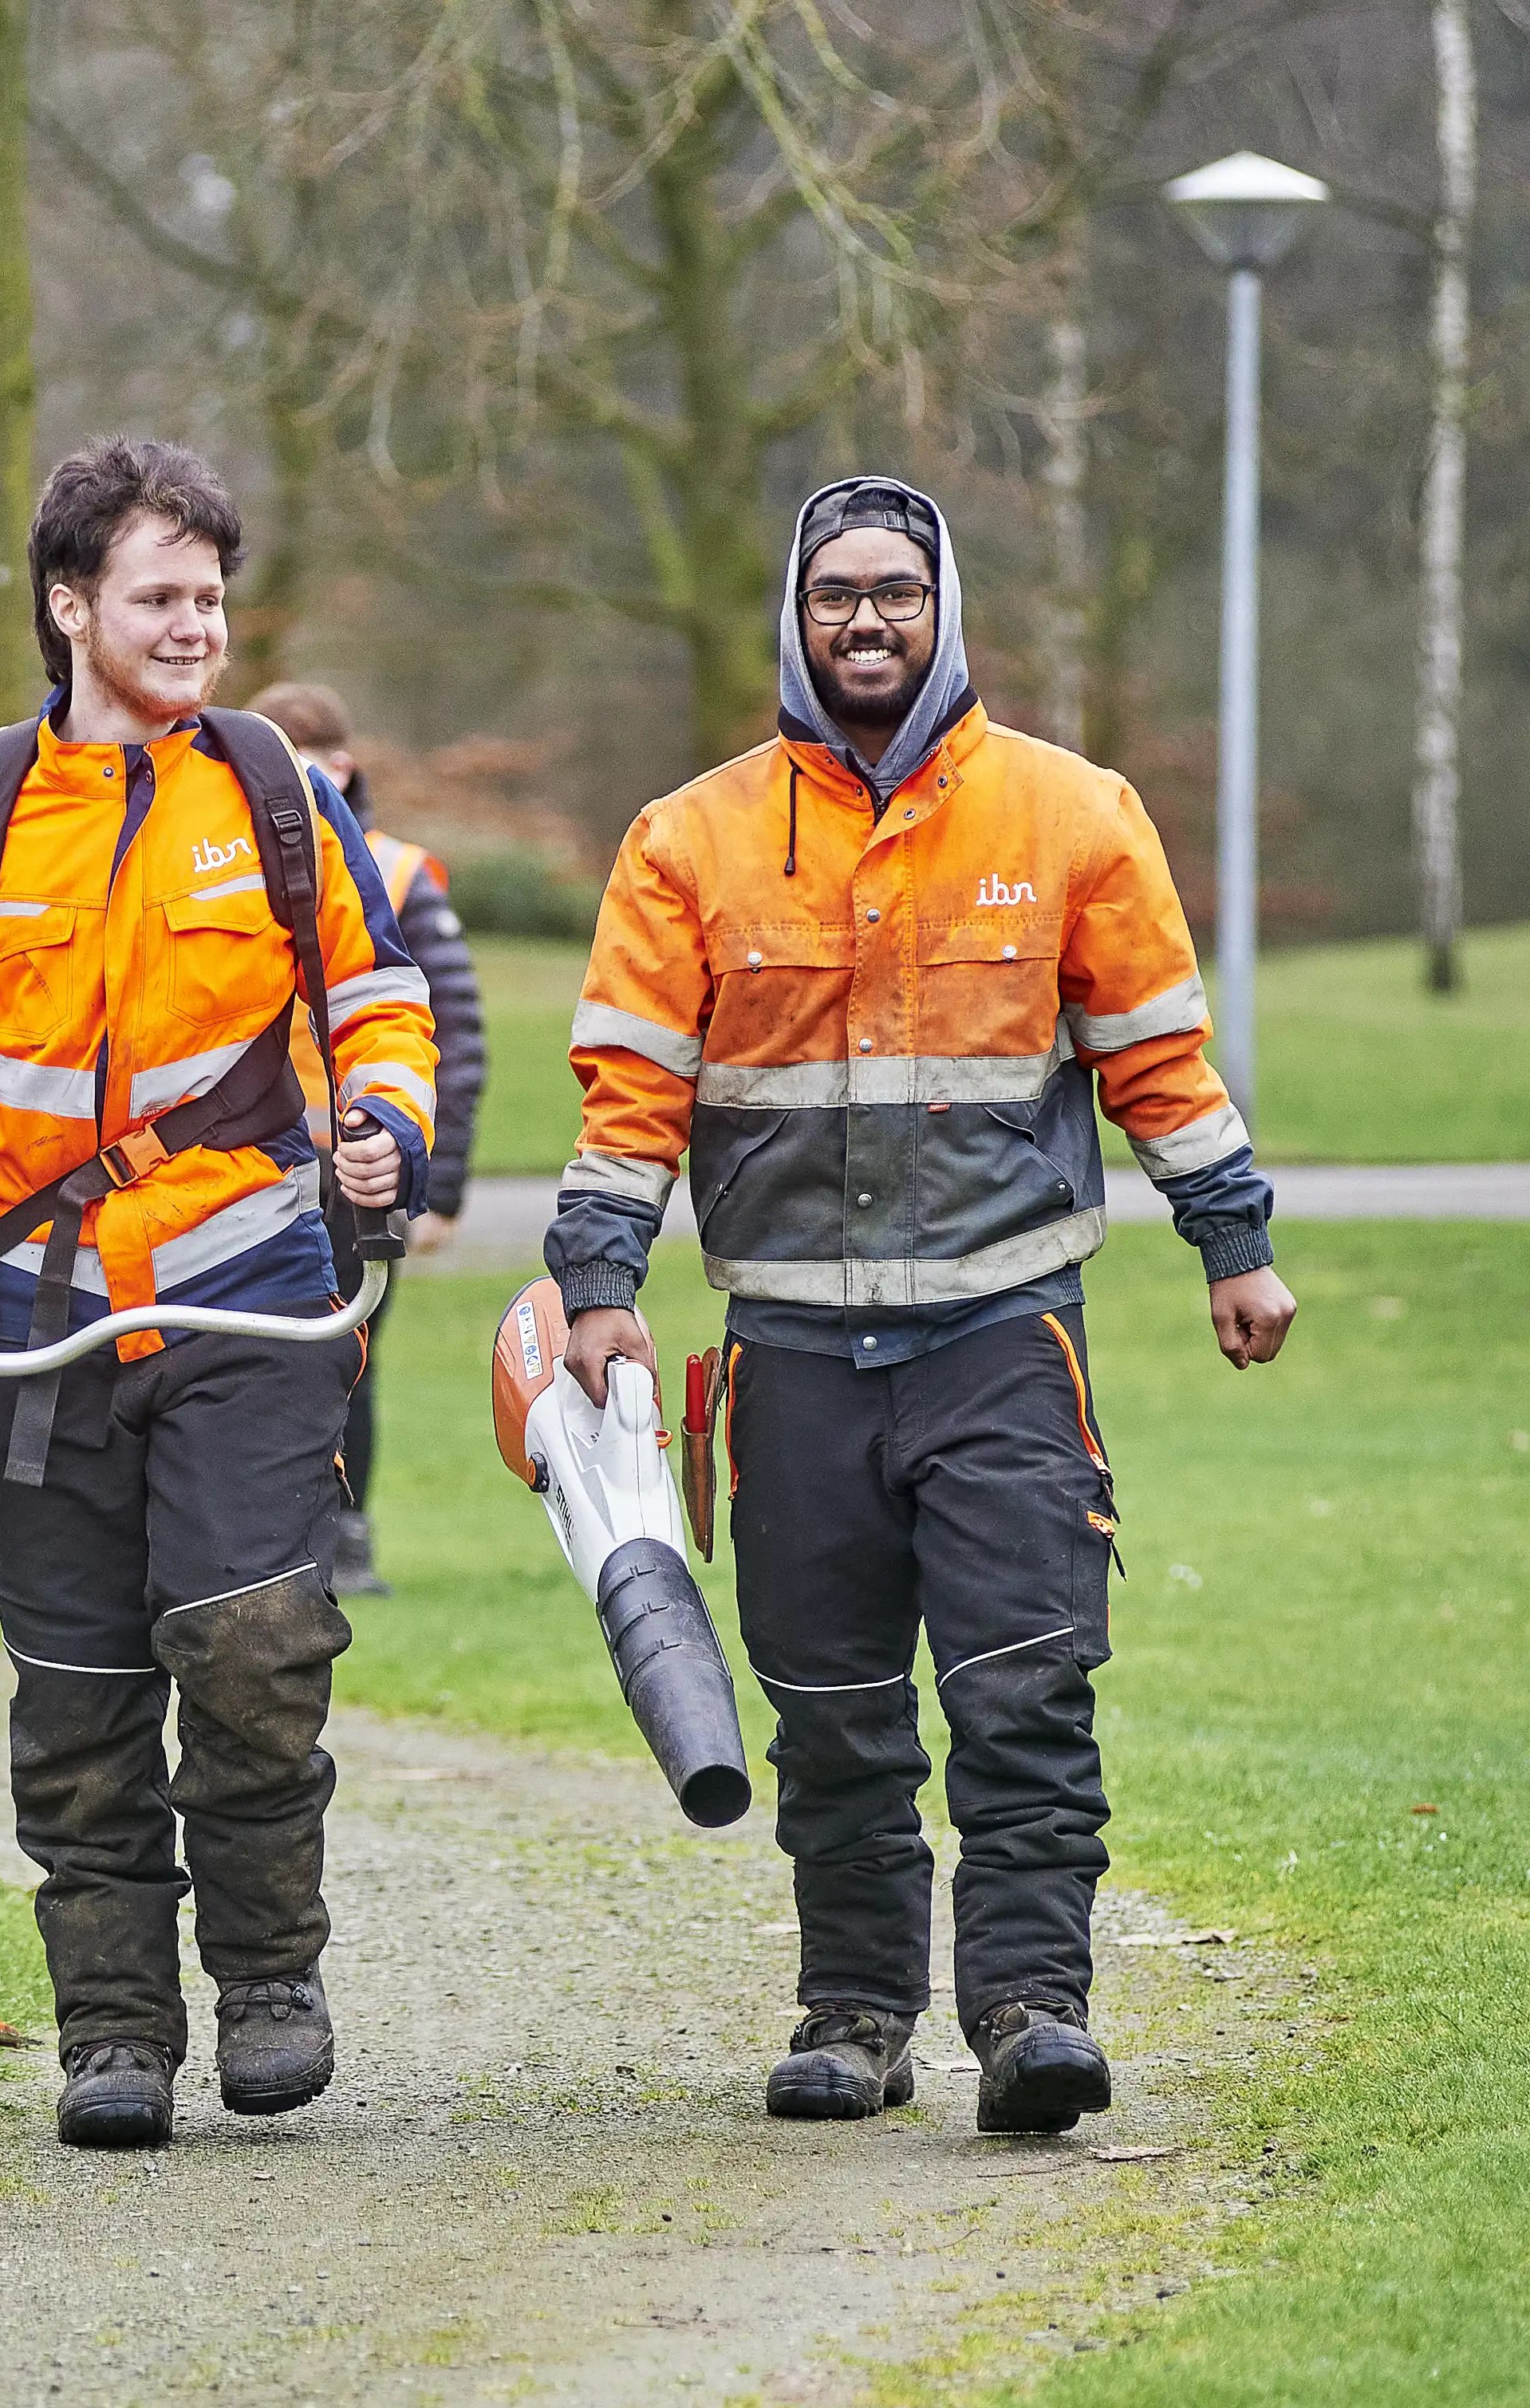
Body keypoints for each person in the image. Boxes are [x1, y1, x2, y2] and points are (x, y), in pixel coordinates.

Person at [547, 475, 1296, 2137]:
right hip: (791, 1355)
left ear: (942, 611)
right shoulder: (688, 841)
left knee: (1022, 1685)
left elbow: (1154, 1060)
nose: (863, 621)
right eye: (834, 598)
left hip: (998, 1337)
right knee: (828, 1714)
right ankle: (855, 2009)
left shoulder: (1069, 816)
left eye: (892, 592)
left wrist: (1228, 1243)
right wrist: (595, 1287)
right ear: (793, 624)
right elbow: (624, 1097)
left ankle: (1031, 2012)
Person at [0, 436, 436, 2151]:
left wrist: (381, 1125)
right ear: (70, 607)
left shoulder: (273, 796)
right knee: (74, 1695)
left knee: (252, 1647)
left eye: (209, 596)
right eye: (157, 595)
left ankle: (270, 1980)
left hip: (238, 1288)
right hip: (27, 1313)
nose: (193, 624)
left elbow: (374, 994)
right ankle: (115, 2029)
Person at [248, 679, 490, 1598]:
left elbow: (452, 1034)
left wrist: (442, 1181)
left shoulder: (394, 870)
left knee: (347, 1351)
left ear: (341, 768)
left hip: (353, 1158)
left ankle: (345, 1539)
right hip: (250, 1159)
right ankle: (277, 1542)